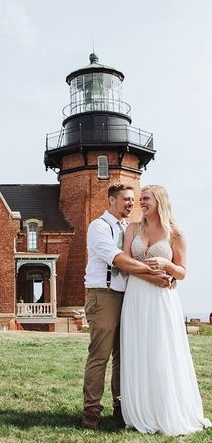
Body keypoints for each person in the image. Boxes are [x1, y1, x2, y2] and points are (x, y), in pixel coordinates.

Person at [120, 185, 211, 435]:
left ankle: (166, 410)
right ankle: (140, 411)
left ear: (159, 200)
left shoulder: (176, 233)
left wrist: (165, 263)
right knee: (138, 350)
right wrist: (151, 275)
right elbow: (126, 264)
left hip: (162, 300)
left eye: (146, 198)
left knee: (161, 351)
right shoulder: (131, 229)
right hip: (136, 296)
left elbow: (181, 272)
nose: (141, 203)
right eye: (140, 199)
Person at [81, 183, 170, 431]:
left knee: (125, 356)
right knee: (100, 356)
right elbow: (118, 259)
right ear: (111, 200)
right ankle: (91, 411)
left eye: (134, 199)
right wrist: (153, 270)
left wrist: (162, 276)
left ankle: (121, 407)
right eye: (126, 199)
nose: (131, 203)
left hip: (129, 296)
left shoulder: (129, 228)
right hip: (104, 295)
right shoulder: (99, 226)